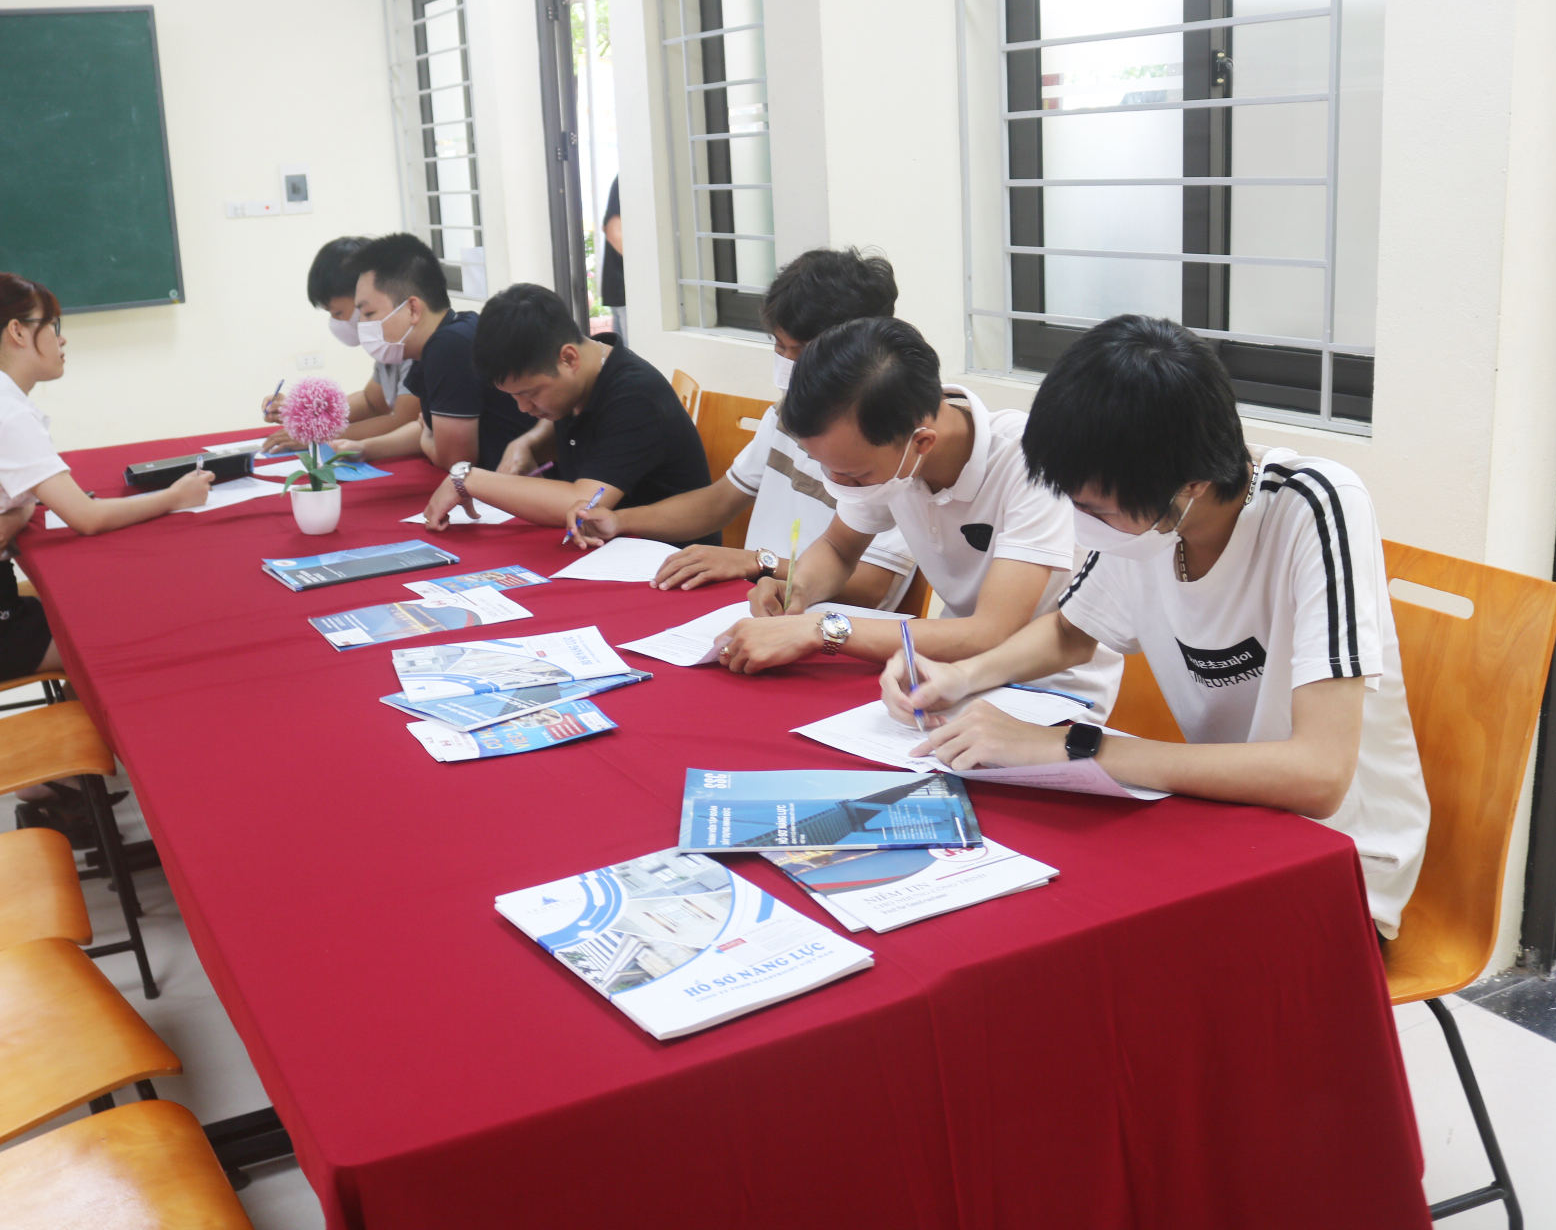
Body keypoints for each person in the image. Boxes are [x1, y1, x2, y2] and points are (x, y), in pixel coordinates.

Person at [881, 315, 1429, 938]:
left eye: (1097, 510)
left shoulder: (1316, 506)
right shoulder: (1144, 519)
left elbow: (1319, 775)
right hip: (1222, 823)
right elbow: (1071, 630)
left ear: (1191, 484)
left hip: (1335, 863)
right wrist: (961, 676)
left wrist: (1075, 747)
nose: (1083, 526)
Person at [714, 317, 1119, 711]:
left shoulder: (1030, 462)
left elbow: (991, 632)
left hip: (1049, 693)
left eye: (853, 475)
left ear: (922, 443)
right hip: (943, 672)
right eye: (824, 466)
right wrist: (798, 590)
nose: (836, 482)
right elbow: (838, 548)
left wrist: (823, 629)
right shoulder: (885, 454)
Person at [565, 248, 917, 610]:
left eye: (801, 351)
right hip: (758, 601)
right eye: (779, 346)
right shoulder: (785, 415)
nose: (788, 364)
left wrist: (756, 562)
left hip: (828, 619)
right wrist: (619, 520)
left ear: (854, 351)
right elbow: (719, 502)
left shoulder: (888, 443)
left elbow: (871, 585)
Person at [0, 273, 211, 692]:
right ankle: (95, 726)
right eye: (52, 325)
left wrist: (16, 516)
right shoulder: (5, 413)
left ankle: (86, 714)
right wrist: (175, 496)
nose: (62, 338)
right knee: (127, 638)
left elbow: (22, 492)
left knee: (99, 612)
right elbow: (86, 517)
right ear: (18, 332)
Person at [418, 283, 714, 534]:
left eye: (529, 393)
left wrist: (468, 479)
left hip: (665, 559)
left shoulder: (636, 396)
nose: (523, 408)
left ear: (569, 359)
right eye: (513, 396)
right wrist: (528, 443)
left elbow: (584, 503)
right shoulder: (584, 376)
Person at [322, 234, 542, 474]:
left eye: (369, 313)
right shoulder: (438, 340)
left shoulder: (449, 347)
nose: (363, 325)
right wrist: (365, 448)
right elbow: (427, 427)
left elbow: (455, 461)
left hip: (522, 483)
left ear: (412, 308)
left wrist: (428, 437)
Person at [261, 236, 420, 453]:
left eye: (337, 313)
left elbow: (404, 421)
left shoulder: (415, 347)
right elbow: (372, 402)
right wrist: (303, 412)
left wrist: (318, 434)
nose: (336, 322)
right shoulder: (387, 345)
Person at [600, 176, 625, 337]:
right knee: (635, 348)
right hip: (625, 287)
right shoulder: (628, 177)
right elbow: (613, 230)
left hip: (622, 288)